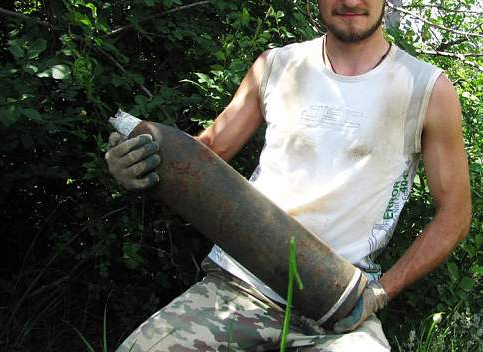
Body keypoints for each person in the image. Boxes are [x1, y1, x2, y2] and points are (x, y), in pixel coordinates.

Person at [105, 0, 471, 350]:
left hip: (339, 307)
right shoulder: (276, 65)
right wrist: (137, 163)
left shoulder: (426, 88)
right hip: (238, 286)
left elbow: (455, 214)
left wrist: (381, 292)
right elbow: (206, 154)